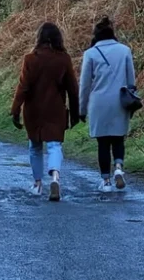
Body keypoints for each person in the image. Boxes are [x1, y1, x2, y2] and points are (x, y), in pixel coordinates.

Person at [11, 22, 80, 201]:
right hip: (55, 109)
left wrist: (15, 109)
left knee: (35, 147)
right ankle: (55, 178)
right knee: (55, 145)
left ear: (39, 38)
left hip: (33, 110)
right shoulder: (63, 59)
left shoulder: (30, 59)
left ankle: (38, 184)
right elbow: (73, 89)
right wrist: (75, 113)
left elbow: (23, 87)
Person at [79, 16, 136, 193]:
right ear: (112, 34)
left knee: (103, 142)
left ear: (96, 36)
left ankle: (106, 181)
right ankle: (118, 167)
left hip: (99, 103)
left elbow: (85, 85)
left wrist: (81, 109)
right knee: (118, 138)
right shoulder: (125, 50)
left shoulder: (90, 54)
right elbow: (131, 81)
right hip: (120, 101)